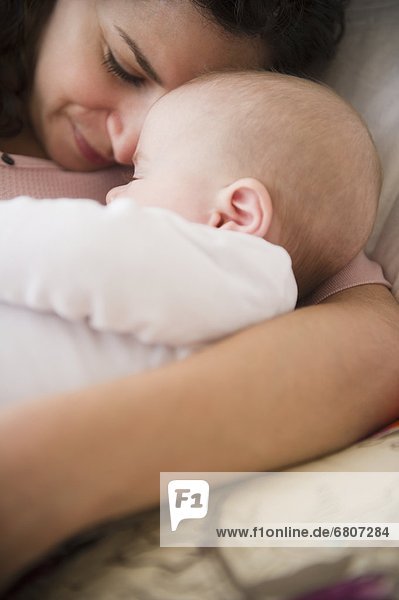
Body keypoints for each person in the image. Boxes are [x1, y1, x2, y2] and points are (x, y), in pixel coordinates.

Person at [0, 0, 398, 588]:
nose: (129, 142)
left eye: (177, 108)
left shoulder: (209, 186)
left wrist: (40, 479)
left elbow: (373, 350)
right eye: (123, 65)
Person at [0, 71, 380, 404]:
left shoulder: (233, 272)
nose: (114, 195)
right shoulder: (248, 302)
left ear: (236, 214)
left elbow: (75, 252)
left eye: (139, 175)